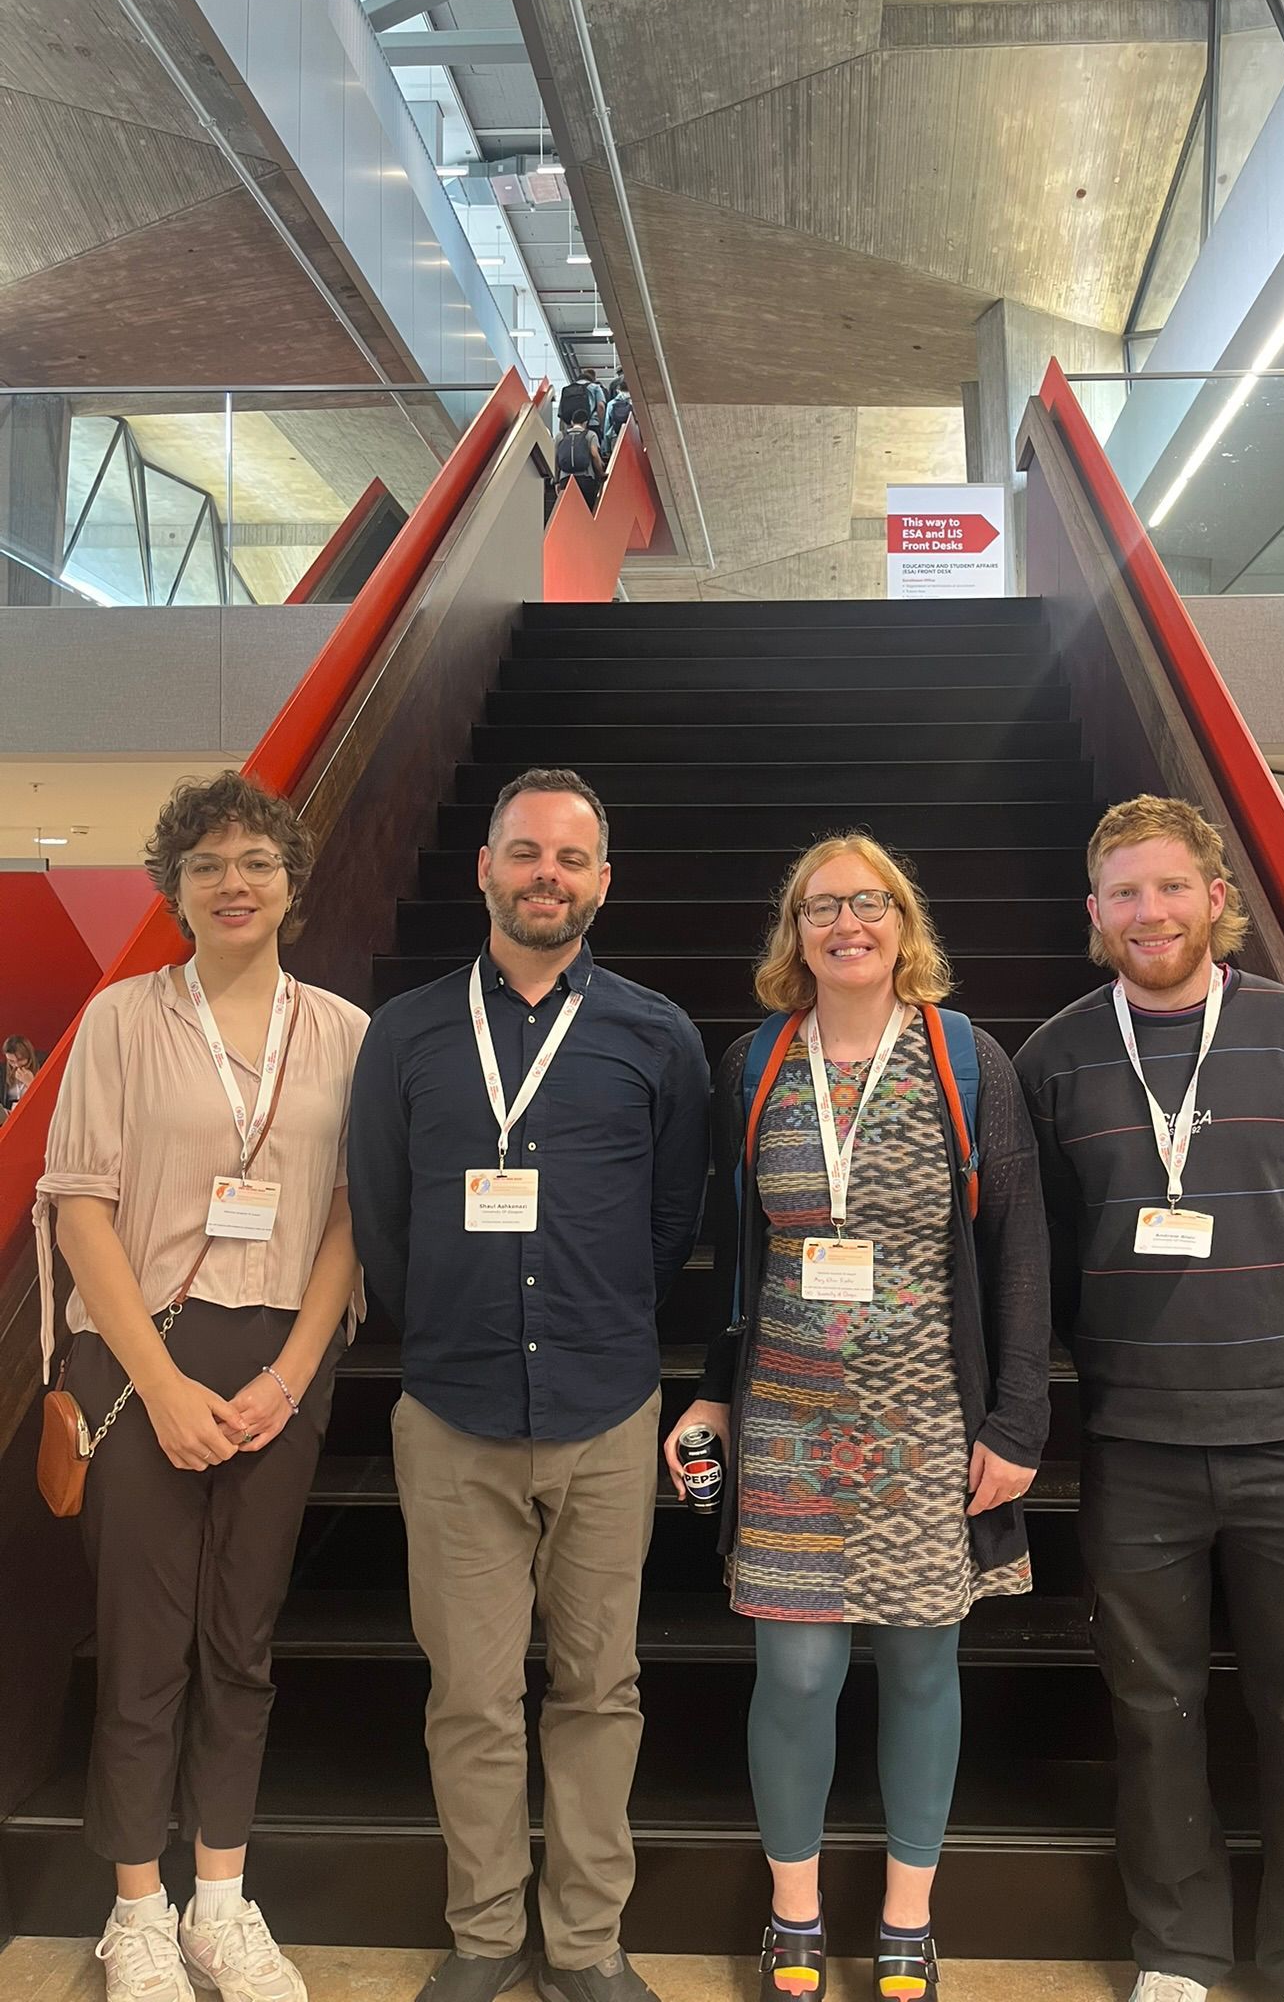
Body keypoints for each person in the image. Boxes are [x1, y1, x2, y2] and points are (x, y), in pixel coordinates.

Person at [667, 834, 1053, 2002]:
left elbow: (1020, 1247)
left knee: (924, 1668)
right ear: (794, 930)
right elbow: (738, 1255)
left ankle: (905, 1917)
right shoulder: (752, 1064)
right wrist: (713, 1391)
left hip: (929, 1414)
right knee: (791, 1674)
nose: (849, 921)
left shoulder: (964, 1056)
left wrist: (1020, 1420)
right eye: (822, 903)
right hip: (785, 1413)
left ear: (903, 921)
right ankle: (794, 1915)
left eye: (870, 901)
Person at [348, 767, 710, 2002]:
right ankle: (488, 1931)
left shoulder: (656, 1033)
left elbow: (672, 1222)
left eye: (571, 857)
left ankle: (589, 1940)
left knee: (600, 1688)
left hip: (608, 1410)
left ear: (603, 880)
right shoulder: (404, 1032)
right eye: (524, 852)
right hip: (451, 1413)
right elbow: (382, 1218)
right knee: (472, 1694)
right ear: (486, 868)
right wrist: (451, 1324)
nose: (545, 874)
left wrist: (603, 1325)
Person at [1014, 795, 1284, 2002]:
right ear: (1094, 912)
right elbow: (1041, 1249)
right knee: (1152, 1709)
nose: (1149, 912)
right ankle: (1177, 1949)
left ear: (1217, 897)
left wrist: (1268, 1320)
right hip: (1136, 1440)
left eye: (1170, 887)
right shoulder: (1056, 1055)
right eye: (1124, 891)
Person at [35, 770, 368, 2002]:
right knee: (141, 1644)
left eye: (257, 862)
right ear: (175, 890)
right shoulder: (123, 1017)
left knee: (241, 1639)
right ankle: (138, 1910)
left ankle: (222, 1898)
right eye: (209, 864)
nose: (235, 883)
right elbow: (78, 1210)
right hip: (141, 1357)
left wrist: (290, 1374)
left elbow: (349, 1217)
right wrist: (163, 1382)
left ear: (291, 880)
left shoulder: (344, 1031)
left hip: (281, 1357)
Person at [555, 414, 605, 514]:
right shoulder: (590, 435)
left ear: (572, 422)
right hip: (586, 479)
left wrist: (557, 481)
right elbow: (594, 454)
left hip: (566, 479)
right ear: (585, 422)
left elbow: (556, 459)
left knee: (569, 512)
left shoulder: (560, 436)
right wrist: (601, 473)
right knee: (587, 512)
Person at [3, 1033, 38, 1109]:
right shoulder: (3, 1072)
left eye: (20, 1060)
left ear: (29, 1056)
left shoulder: (43, 1065)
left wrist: (31, 1083)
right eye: (11, 1061)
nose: (16, 1065)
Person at [601, 383, 634, 462]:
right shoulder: (634, 402)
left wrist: (607, 448)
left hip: (616, 437)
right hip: (633, 437)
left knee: (618, 463)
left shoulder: (611, 404)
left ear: (618, 390)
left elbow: (607, 426)